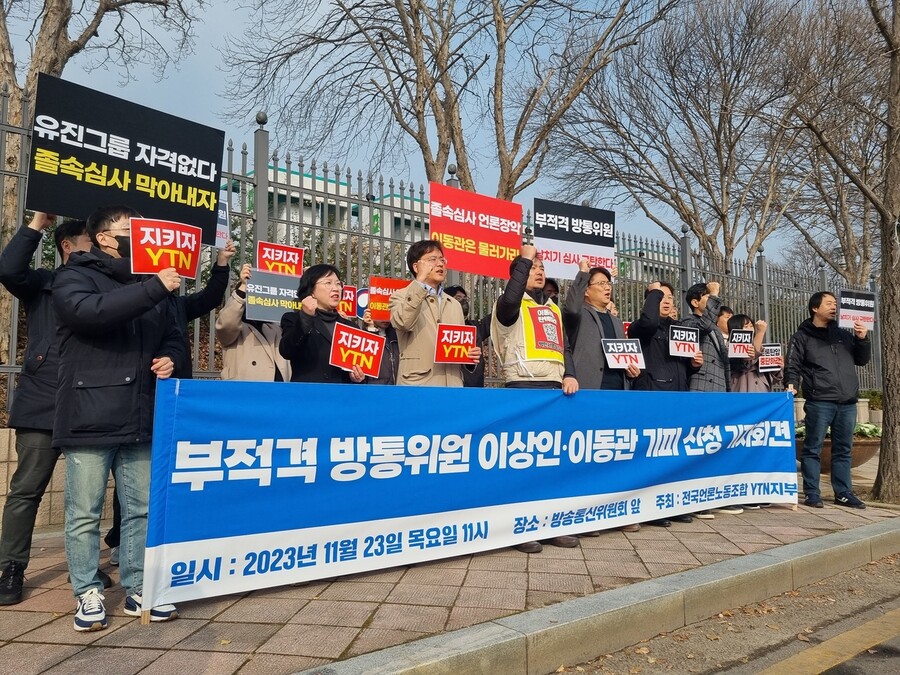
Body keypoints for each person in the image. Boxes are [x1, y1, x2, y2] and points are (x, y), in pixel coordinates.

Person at [53, 204, 186, 631]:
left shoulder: (154, 283)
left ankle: (138, 586)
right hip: (91, 414)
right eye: (131, 229)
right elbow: (91, 314)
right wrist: (155, 289)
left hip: (142, 413)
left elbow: (175, 337)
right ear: (106, 238)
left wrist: (170, 357)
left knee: (142, 509)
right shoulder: (74, 275)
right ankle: (87, 591)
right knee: (84, 512)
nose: (141, 235)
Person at [0, 212, 99, 605]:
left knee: (86, 498)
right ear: (68, 247)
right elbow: (9, 268)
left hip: (90, 404)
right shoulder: (42, 283)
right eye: (91, 241)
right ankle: (11, 567)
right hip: (43, 401)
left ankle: (85, 572)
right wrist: (37, 223)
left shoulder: (105, 287)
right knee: (27, 490)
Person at [492, 244, 580, 553]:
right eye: (531, 268)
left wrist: (570, 373)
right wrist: (525, 257)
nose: (539, 271)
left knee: (551, 464)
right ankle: (520, 528)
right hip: (522, 389)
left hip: (554, 391)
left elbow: (564, 347)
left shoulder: (552, 308)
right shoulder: (508, 305)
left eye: (541, 267)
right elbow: (512, 295)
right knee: (524, 464)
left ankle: (552, 525)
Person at [563, 259, 643, 533]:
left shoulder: (616, 320)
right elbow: (571, 304)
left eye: (609, 284)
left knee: (614, 453)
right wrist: (583, 273)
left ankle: (617, 511)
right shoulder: (578, 314)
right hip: (589, 390)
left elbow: (624, 355)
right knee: (588, 454)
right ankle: (587, 514)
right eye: (601, 284)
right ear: (587, 289)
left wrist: (632, 371)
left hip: (617, 391)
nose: (607, 288)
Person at [785, 291, 871, 509]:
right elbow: (792, 365)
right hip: (819, 400)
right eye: (829, 303)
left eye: (836, 304)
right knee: (812, 448)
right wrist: (791, 384)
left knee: (843, 449)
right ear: (815, 308)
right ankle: (812, 493)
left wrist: (862, 339)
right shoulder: (802, 337)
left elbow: (862, 360)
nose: (834, 307)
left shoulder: (843, 334)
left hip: (847, 402)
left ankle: (843, 492)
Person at [627, 281, 705, 523]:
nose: (668, 300)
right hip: (652, 395)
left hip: (678, 396)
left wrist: (693, 365)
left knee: (676, 452)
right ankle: (651, 508)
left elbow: (683, 366)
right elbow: (649, 321)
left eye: (670, 296)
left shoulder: (680, 330)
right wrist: (654, 292)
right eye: (661, 297)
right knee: (654, 453)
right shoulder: (641, 328)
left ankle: (674, 504)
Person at [389, 240, 480, 386]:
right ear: (416, 266)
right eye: (432, 259)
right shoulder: (400, 296)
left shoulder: (454, 304)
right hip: (418, 385)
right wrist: (419, 284)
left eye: (442, 259)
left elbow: (457, 347)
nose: (440, 264)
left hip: (452, 386)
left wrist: (468, 356)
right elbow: (403, 323)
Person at [279, 264, 366, 384]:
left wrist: (357, 377)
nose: (335, 288)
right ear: (311, 290)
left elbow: (359, 367)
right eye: (328, 283)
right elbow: (286, 351)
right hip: (308, 396)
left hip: (341, 397)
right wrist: (305, 317)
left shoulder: (351, 327)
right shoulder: (293, 319)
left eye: (338, 283)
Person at [216, 263, 291, 382]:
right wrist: (243, 287)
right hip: (245, 393)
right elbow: (226, 323)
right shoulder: (235, 328)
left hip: (278, 393)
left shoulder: (274, 327)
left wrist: (306, 285)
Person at [682, 281, 731, 393]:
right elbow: (703, 326)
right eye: (709, 297)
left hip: (719, 386)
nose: (714, 300)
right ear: (695, 302)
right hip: (700, 385)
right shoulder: (688, 321)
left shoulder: (715, 328)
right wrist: (714, 294)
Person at [444, 284, 491, 387]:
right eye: (458, 298)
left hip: (473, 390)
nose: (464, 302)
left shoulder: (474, 327)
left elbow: (499, 315)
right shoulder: (438, 328)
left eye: (465, 298)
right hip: (448, 388)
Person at [361, 307, 399, 385]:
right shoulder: (363, 337)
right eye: (380, 312)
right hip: (375, 390)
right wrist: (370, 328)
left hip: (396, 389)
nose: (385, 319)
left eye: (388, 312)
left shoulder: (398, 336)